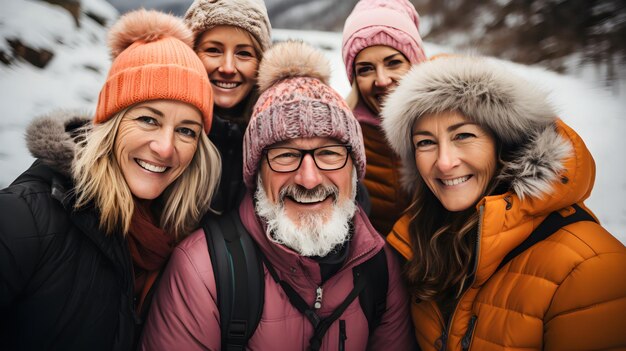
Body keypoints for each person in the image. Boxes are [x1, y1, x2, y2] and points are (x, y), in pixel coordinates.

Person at [140, 41, 415, 350]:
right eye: (285, 155)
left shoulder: (380, 266)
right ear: (256, 173)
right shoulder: (202, 270)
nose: (309, 179)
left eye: (328, 153)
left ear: (354, 168)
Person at [0, 9, 221, 350]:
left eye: (186, 131)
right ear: (111, 124)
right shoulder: (25, 215)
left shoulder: (184, 238)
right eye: (148, 119)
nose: (165, 148)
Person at [380, 55, 626, 350]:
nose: (444, 163)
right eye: (426, 142)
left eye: (464, 135)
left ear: (505, 144)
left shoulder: (590, 267)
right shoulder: (422, 243)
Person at [341, 0, 427, 235]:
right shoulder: (343, 138)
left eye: (393, 63)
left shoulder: (449, 123)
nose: (381, 80)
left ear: (415, 63)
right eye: (366, 69)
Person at [184, 0, 271, 213]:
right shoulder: (165, 131)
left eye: (244, 53)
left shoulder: (276, 134)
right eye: (213, 50)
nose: (228, 68)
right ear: (190, 53)